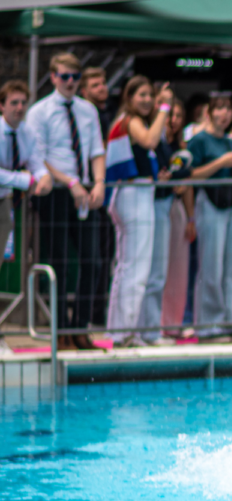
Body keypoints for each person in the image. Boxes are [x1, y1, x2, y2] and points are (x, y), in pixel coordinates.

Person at [27, 52, 108, 351]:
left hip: (85, 191)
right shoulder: (40, 112)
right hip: (57, 193)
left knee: (93, 262)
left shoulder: (88, 110)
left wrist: (98, 182)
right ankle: (59, 331)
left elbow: (97, 150)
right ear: (53, 77)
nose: (70, 82)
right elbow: (39, 158)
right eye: (65, 76)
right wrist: (70, 181)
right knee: (59, 263)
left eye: (75, 77)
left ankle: (79, 328)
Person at [104, 76, 174, 346]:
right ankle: (126, 334)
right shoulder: (131, 120)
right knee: (136, 267)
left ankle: (121, 330)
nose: (146, 100)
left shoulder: (131, 121)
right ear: (129, 98)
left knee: (128, 266)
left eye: (150, 95)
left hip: (139, 192)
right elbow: (149, 140)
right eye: (142, 95)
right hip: (133, 196)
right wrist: (164, 109)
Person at [186, 93, 232, 342]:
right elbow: (191, 175)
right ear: (209, 113)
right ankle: (209, 325)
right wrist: (221, 162)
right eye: (219, 108)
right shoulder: (198, 141)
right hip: (208, 203)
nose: (225, 114)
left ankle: (228, 321)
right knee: (211, 267)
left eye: (228, 109)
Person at [0, 80, 41, 356]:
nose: (19, 108)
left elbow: (37, 162)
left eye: (23, 102)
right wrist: (27, 180)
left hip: (4, 203)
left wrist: (42, 177)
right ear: (2, 105)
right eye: (13, 102)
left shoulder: (27, 132)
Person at [150, 96, 191, 343]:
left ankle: (172, 324)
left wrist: (191, 217)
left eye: (177, 116)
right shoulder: (154, 142)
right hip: (155, 206)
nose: (173, 120)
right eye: (169, 115)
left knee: (177, 268)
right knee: (157, 268)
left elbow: (187, 185)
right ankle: (155, 324)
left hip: (176, 208)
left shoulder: (179, 146)